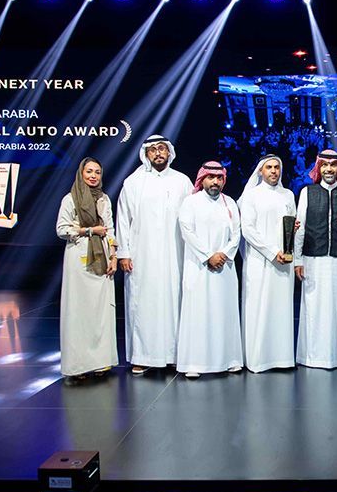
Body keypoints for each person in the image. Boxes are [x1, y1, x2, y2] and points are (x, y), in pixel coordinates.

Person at [116, 134, 192, 375]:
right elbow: (123, 221)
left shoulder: (182, 181)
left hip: (176, 255)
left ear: (169, 152)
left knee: (175, 301)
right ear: (146, 154)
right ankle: (142, 355)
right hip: (143, 255)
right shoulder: (133, 182)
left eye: (162, 149)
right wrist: (124, 253)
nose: (159, 153)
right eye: (153, 150)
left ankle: (175, 354)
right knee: (143, 303)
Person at [176, 161, 243, 379]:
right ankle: (194, 362)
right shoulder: (190, 202)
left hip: (225, 267)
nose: (215, 182)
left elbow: (236, 234)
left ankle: (230, 359)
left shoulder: (230, 203)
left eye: (219, 178)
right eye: (211, 177)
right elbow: (187, 231)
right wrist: (208, 256)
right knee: (198, 314)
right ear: (202, 179)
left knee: (225, 312)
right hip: (198, 268)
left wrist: (222, 254)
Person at [293, 149, 337, 369]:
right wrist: (298, 260)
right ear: (319, 168)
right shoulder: (307, 192)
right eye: (324, 165)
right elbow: (299, 228)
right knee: (315, 309)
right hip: (314, 259)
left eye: (333, 165)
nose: (329, 169)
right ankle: (313, 357)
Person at [56, 157, 118, 381]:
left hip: (102, 258)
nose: (93, 176)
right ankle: (78, 366)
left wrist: (114, 256)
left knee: (100, 311)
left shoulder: (104, 199)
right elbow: (62, 229)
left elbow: (110, 229)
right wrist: (89, 230)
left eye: (97, 172)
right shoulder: (70, 199)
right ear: (81, 173)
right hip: (78, 258)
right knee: (79, 312)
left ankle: (100, 362)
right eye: (89, 171)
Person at [238, 155, 298, 373]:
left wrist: (291, 240)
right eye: (269, 167)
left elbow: (291, 227)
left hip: (284, 262)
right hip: (259, 261)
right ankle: (257, 359)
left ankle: (282, 358)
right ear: (260, 171)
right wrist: (272, 252)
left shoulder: (288, 195)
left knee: (281, 308)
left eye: (277, 167)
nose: (274, 171)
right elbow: (248, 230)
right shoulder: (251, 196)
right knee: (258, 307)